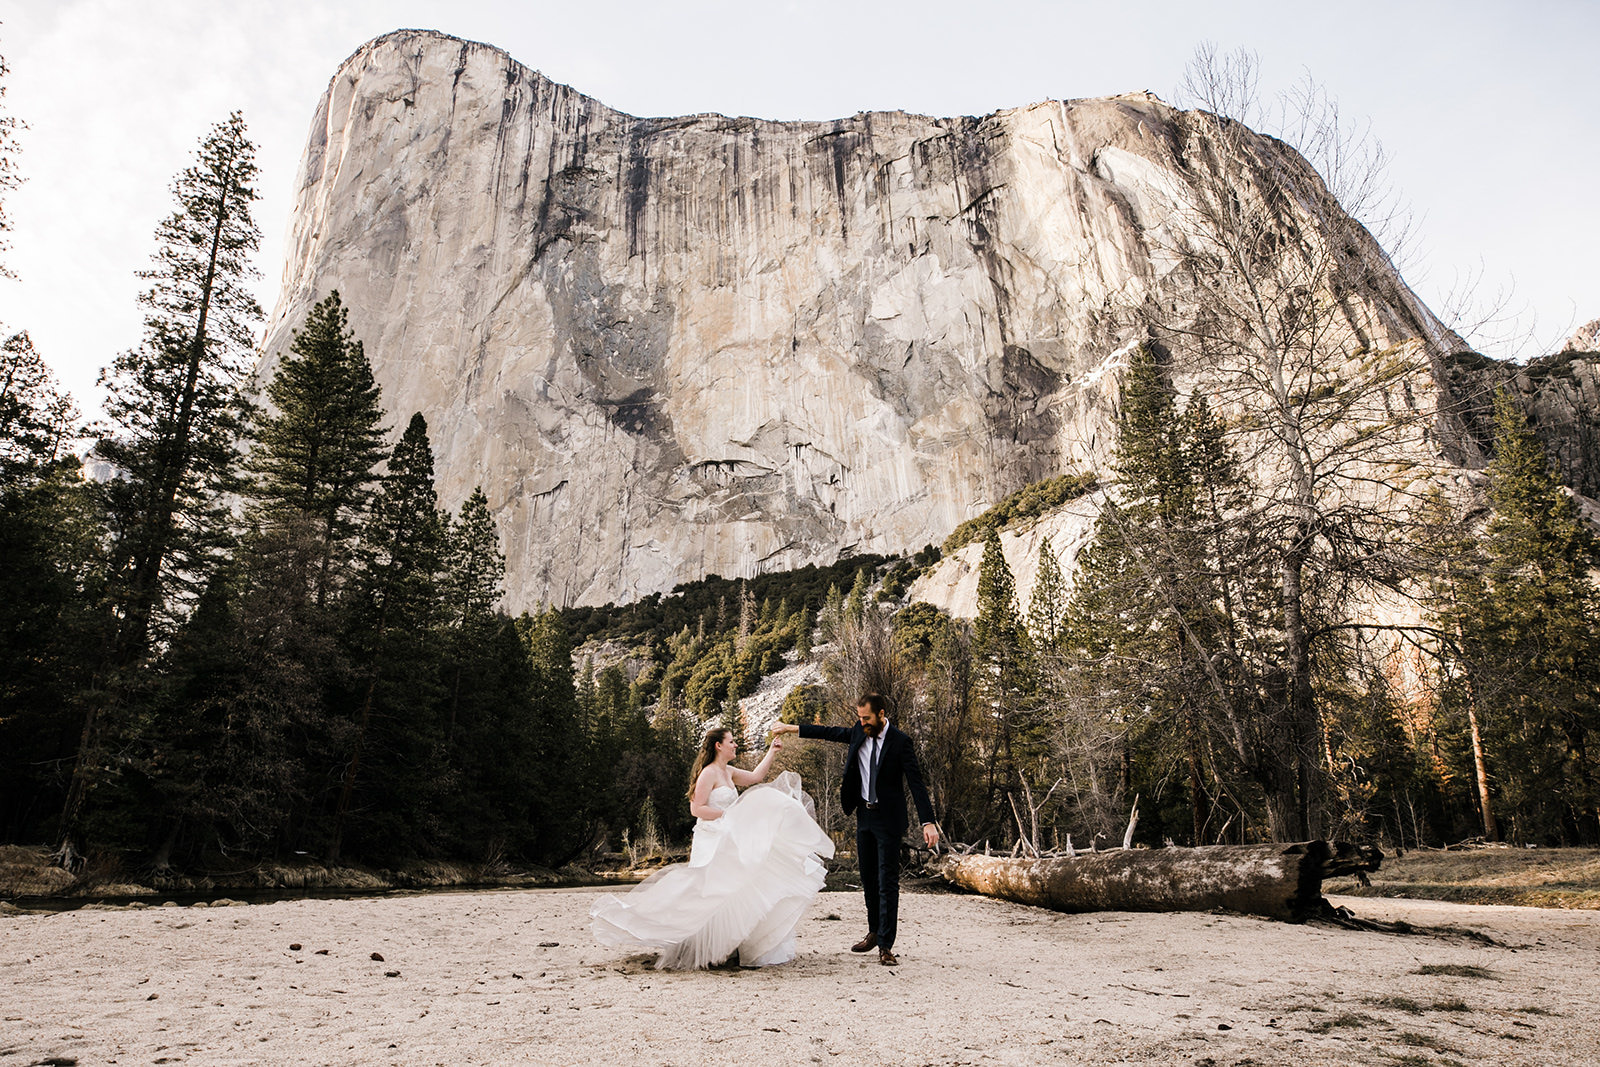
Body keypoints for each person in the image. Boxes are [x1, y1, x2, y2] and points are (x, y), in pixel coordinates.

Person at [589, 724, 835, 969]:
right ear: (719, 746)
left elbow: (756, 778)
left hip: (728, 835)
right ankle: (705, 946)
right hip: (712, 838)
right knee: (711, 891)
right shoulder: (708, 773)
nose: (735, 744)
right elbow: (696, 809)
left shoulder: (728, 771)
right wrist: (728, 815)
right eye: (731, 741)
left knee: (738, 888)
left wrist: (772, 751)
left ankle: (731, 946)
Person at [772, 692, 938, 966]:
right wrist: (791, 728)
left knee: (888, 883)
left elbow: (916, 783)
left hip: (889, 820)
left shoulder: (901, 742)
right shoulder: (859, 733)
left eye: (867, 718)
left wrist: (928, 821)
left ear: (882, 714)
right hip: (865, 816)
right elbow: (827, 732)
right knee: (869, 879)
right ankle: (874, 931)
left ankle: (886, 945)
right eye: (859, 718)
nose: (862, 723)